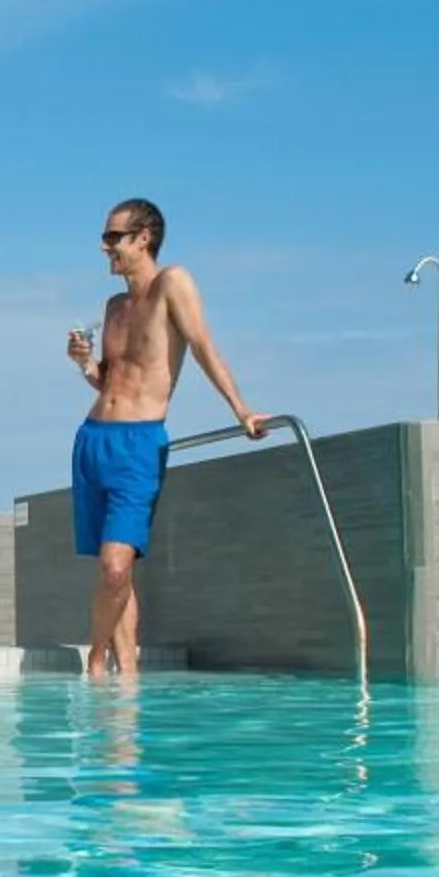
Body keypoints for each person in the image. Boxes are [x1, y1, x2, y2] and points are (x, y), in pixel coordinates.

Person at [64, 198, 266, 678]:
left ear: (143, 237)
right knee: (114, 572)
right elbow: (111, 379)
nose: (105, 246)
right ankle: (126, 675)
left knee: (116, 565)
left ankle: (95, 662)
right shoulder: (113, 307)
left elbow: (202, 347)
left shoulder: (173, 283)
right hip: (92, 441)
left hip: (139, 444)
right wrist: (83, 364)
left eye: (114, 237)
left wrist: (242, 410)